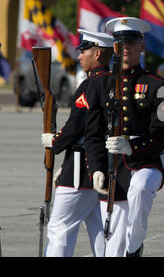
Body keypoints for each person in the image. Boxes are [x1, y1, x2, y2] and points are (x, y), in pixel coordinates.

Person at [85, 17, 164, 257]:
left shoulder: (158, 86)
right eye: (121, 43)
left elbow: (162, 137)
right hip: (112, 165)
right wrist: (96, 168)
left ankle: (135, 246)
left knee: (140, 188)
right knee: (112, 243)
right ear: (114, 47)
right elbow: (92, 133)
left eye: (132, 43)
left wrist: (131, 145)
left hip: (146, 161)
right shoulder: (99, 85)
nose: (126, 48)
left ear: (142, 47)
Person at [40, 29, 114, 257]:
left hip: (82, 169)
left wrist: (55, 142)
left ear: (98, 53)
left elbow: (77, 126)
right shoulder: (114, 82)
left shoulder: (90, 85)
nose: (80, 56)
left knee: (59, 229)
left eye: (84, 51)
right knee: (101, 235)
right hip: (104, 165)